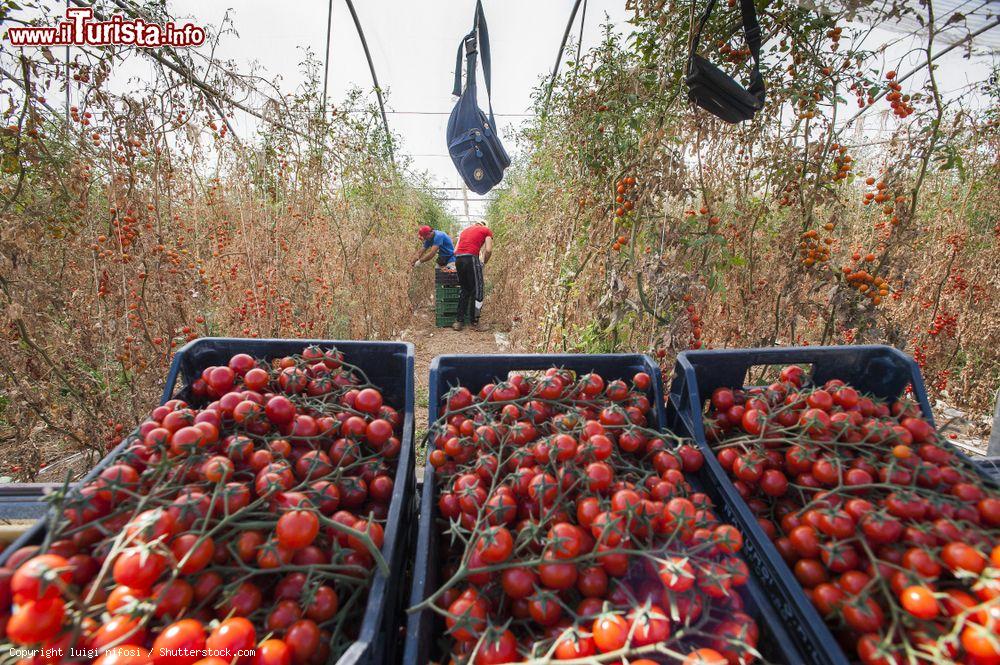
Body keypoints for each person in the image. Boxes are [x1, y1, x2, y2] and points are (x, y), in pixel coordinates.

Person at [452, 221, 493, 331]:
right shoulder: (486, 230)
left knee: (464, 289)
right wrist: (483, 262)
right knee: (477, 290)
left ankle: (459, 321)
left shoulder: (464, 231)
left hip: (459, 259)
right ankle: (475, 322)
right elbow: (488, 250)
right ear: (484, 225)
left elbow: (455, 250)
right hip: (471, 258)